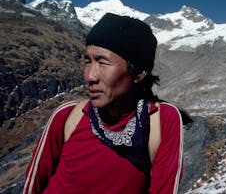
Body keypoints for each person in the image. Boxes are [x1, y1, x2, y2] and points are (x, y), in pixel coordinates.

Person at [23, 13, 184, 194]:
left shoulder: (161, 121)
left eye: (103, 62)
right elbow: (32, 187)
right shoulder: (67, 116)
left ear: (138, 73)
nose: (90, 76)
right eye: (88, 61)